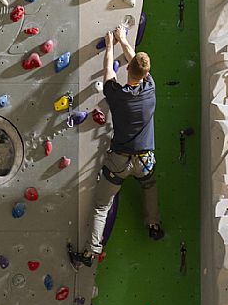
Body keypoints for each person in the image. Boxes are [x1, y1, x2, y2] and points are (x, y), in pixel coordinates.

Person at [69, 24, 163, 269]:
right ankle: (153, 225)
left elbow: (108, 74)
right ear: (146, 74)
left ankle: (91, 252)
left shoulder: (116, 94)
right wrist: (124, 41)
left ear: (129, 71)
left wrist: (111, 44)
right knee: (149, 185)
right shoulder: (151, 89)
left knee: (102, 206)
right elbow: (137, 64)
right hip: (144, 161)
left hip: (119, 162)